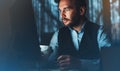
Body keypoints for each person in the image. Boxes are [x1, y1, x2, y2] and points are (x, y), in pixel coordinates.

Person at [48, 0, 111, 71]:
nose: (61, 16)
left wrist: (80, 63)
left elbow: (109, 62)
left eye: (66, 10)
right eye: (60, 11)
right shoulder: (58, 34)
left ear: (81, 11)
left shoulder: (99, 32)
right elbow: (49, 62)